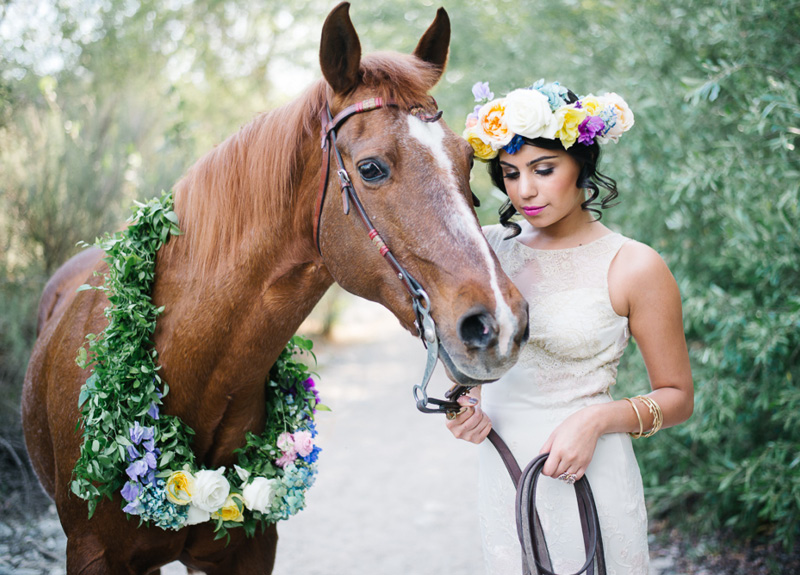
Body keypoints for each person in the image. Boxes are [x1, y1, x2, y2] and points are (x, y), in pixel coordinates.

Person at [447, 80, 694, 574]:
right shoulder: (484, 250)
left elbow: (678, 396)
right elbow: (463, 358)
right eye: (511, 174)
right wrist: (461, 403)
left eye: (544, 169)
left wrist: (595, 419)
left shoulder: (634, 266)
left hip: (592, 471)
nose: (525, 190)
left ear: (582, 167)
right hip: (503, 469)